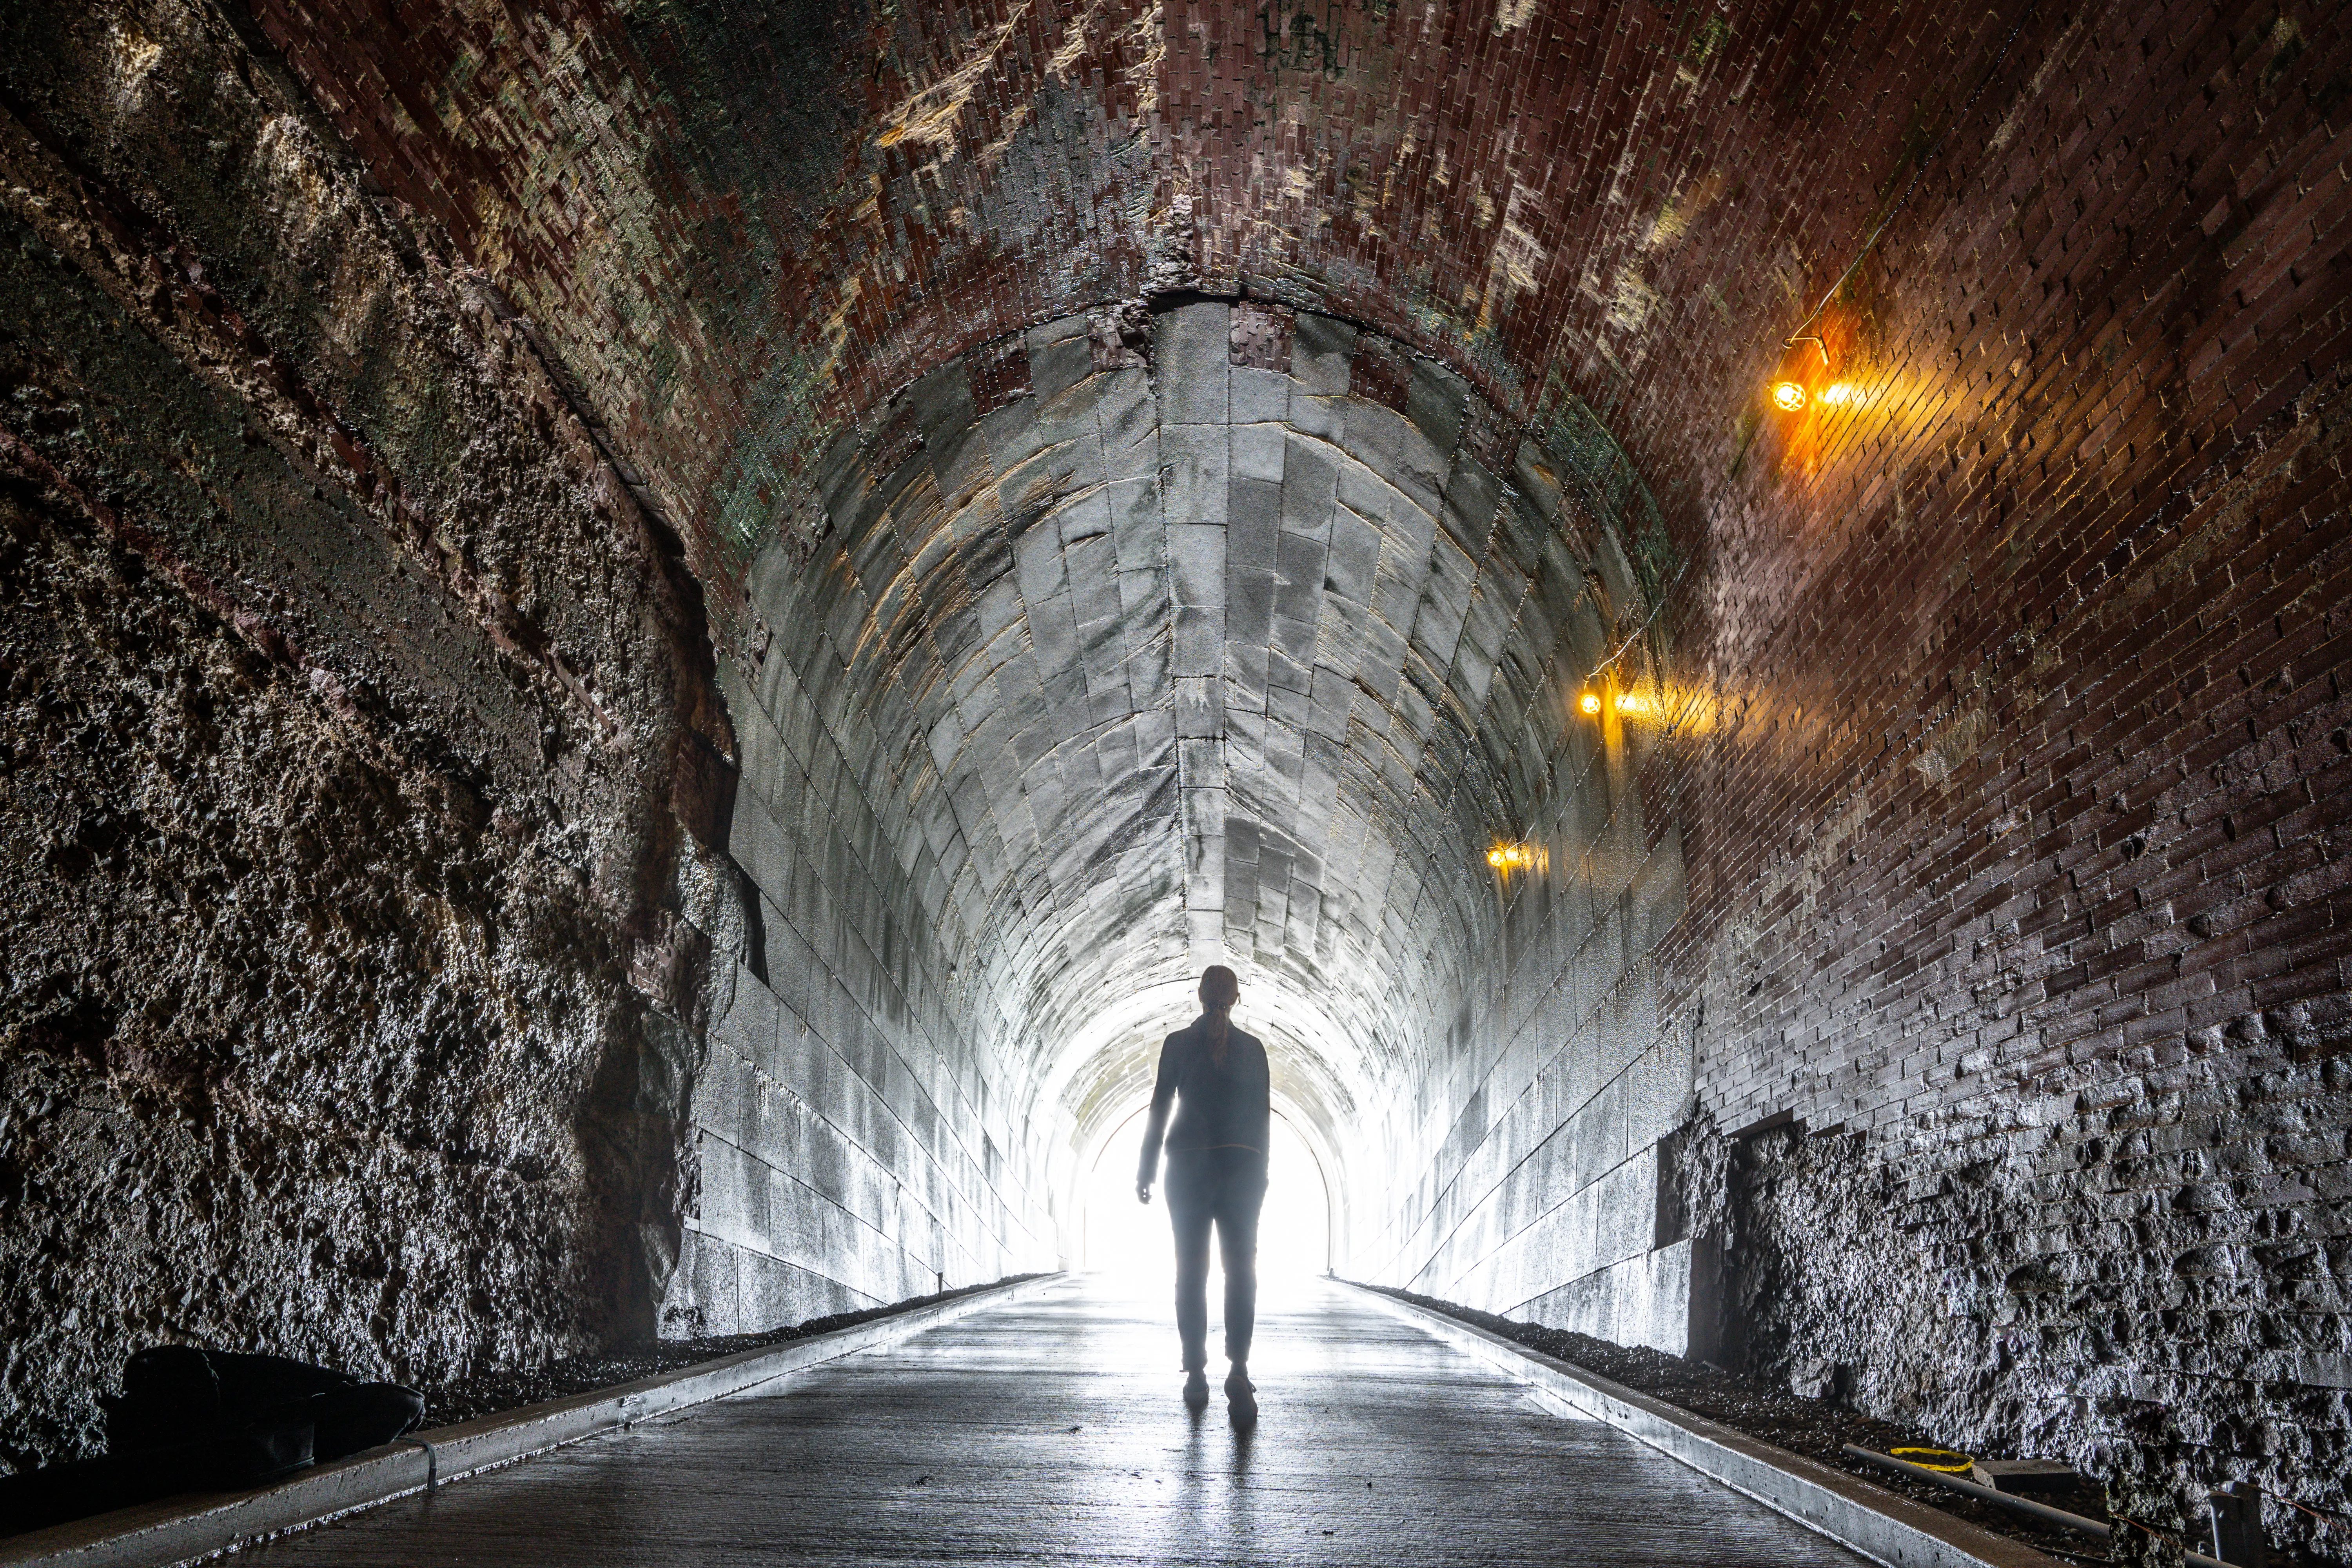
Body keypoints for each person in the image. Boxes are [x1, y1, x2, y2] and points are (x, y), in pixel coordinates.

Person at [1135, 965, 1269, 1421]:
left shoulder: (1177, 1044)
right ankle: (1239, 1366)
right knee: (1240, 1270)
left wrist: (1147, 1167)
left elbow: (1160, 1108)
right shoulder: (1253, 1049)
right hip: (1241, 1170)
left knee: (1191, 1271)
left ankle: (1196, 1373)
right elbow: (1262, 1118)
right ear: (1235, 999)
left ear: (1199, 997)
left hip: (1188, 1170)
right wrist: (1261, 1175)